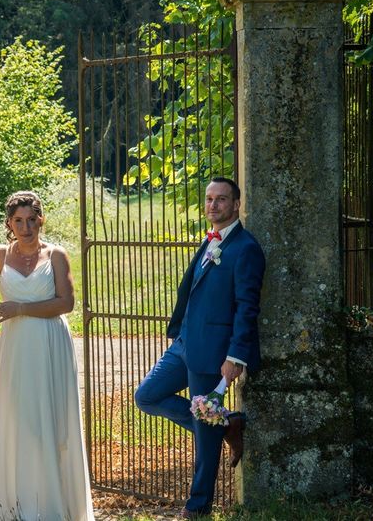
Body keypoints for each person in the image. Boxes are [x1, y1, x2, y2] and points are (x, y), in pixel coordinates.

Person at [0, 191, 94, 521]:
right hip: (16, 347)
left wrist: (21, 308)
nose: (26, 227)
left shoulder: (56, 255)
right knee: (21, 419)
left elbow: (66, 303)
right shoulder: (0, 255)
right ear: (10, 225)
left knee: (51, 420)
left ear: (40, 219)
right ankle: (21, 504)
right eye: (18, 221)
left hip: (50, 342)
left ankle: (54, 505)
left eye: (31, 220)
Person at [133, 177, 265, 518]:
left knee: (204, 439)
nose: (213, 205)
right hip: (185, 344)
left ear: (236, 204)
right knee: (146, 395)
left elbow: (247, 306)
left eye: (221, 199)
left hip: (213, 354)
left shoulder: (245, 247)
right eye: (209, 199)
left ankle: (198, 507)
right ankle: (225, 424)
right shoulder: (211, 240)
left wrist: (235, 356)